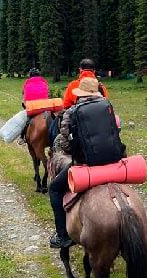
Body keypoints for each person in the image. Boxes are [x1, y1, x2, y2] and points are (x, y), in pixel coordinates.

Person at [49, 76, 122, 249]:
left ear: (81, 94)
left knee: (54, 189)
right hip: (114, 159)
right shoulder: (108, 107)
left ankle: (62, 235)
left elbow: (65, 141)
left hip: (86, 163)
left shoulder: (72, 111)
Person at [18, 68, 50, 145]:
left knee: (26, 121)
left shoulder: (27, 83)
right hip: (44, 106)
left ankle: (22, 137)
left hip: (32, 107)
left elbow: (24, 94)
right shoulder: (44, 82)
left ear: (30, 75)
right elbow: (47, 93)